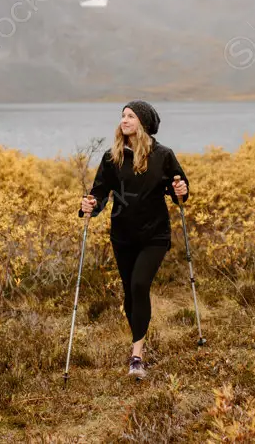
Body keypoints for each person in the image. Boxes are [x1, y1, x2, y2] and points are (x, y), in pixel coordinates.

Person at [78, 100, 189, 379]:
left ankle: (136, 355)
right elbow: (100, 192)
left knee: (140, 284)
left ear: (144, 123)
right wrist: (89, 205)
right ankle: (138, 341)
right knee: (130, 292)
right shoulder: (112, 157)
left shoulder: (163, 155)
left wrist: (180, 189)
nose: (124, 120)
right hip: (123, 235)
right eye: (122, 116)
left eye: (130, 116)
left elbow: (179, 191)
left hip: (155, 234)